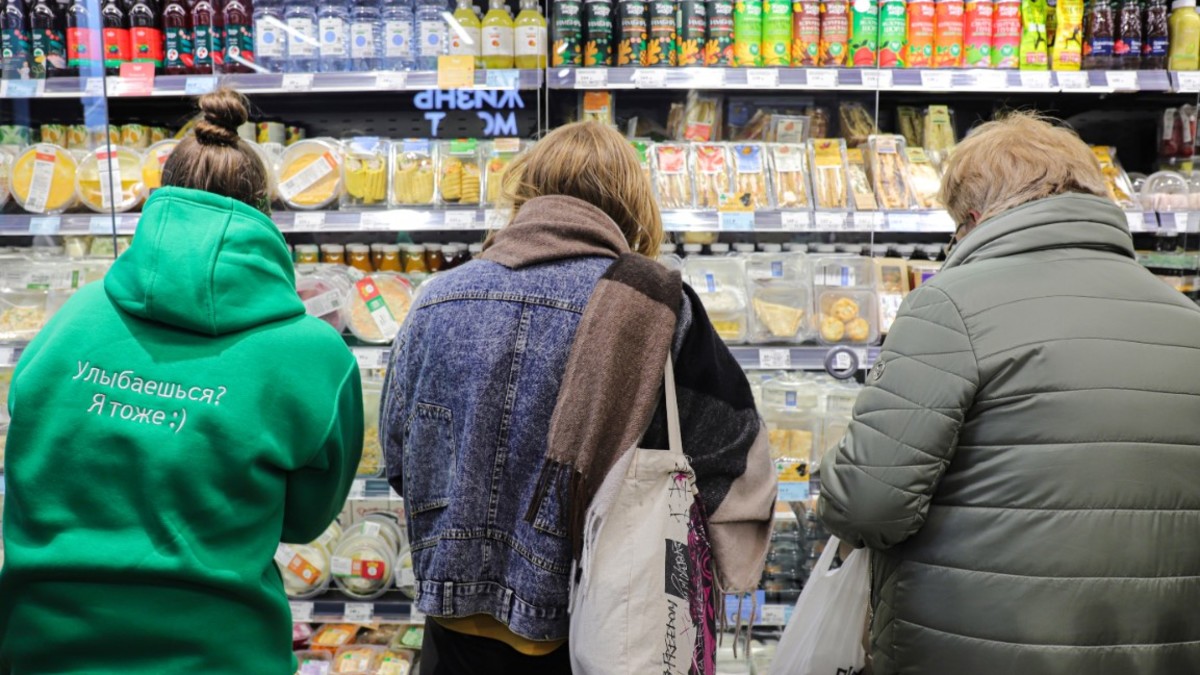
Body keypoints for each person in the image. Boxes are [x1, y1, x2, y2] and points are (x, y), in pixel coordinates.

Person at [381, 121, 776, 674]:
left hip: (451, 629)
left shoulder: (436, 298)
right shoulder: (655, 304)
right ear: (630, 202)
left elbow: (399, 460)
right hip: (598, 626)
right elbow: (733, 458)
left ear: (527, 189)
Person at [817, 112, 1200, 673]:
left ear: (972, 218)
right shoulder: (1186, 320)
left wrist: (832, 468)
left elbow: (868, 506)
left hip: (974, 646)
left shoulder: (950, 305)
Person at [0, 90, 363, 674]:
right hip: (218, 655)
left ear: (155, 199)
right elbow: (302, 520)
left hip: (43, 649)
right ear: (265, 209)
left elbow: (31, 463)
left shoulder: (72, 319)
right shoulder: (316, 356)